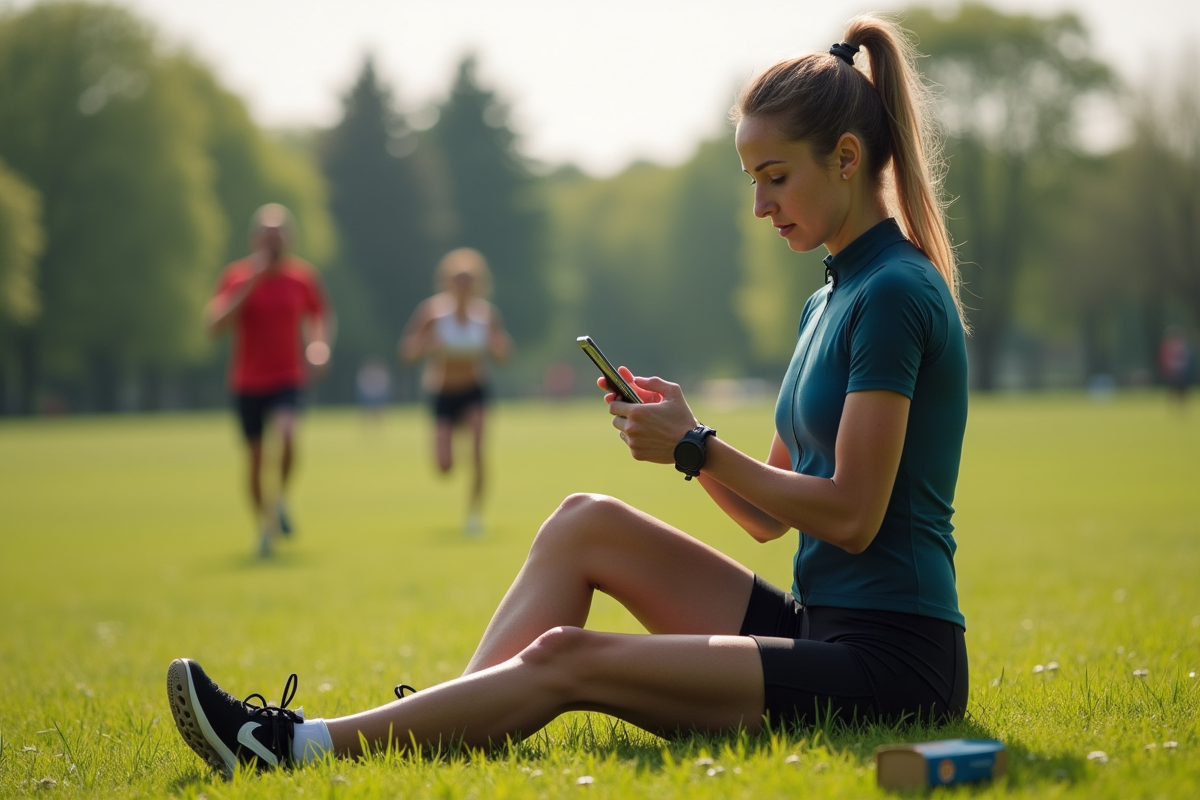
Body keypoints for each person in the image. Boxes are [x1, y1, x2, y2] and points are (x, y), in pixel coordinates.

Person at [167, 15, 970, 776]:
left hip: (893, 667)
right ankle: (449, 721)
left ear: (846, 158)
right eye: (751, 180)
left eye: (775, 178)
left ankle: (289, 746)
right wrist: (685, 438)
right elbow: (766, 519)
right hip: (815, 629)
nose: (759, 205)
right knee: (584, 521)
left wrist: (698, 448)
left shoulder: (896, 292)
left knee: (565, 659)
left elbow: (854, 517)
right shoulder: (825, 299)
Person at [206, 204, 333, 557]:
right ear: (255, 239)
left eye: (279, 235)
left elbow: (319, 314)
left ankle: (279, 500)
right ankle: (265, 526)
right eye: (267, 235)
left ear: (289, 239)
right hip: (248, 381)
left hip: (287, 376)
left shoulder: (302, 278)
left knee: (289, 435)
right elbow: (215, 325)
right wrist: (250, 284)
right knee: (256, 458)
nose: (274, 242)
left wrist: (319, 346)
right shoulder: (237, 277)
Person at [398, 248, 513, 534]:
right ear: (447, 281)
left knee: (477, 453)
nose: (463, 285)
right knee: (444, 466)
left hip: (474, 390)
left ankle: (474, 516)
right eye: (458, 279)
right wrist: (427, 345)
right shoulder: (433, 313)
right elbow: (407, 352)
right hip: (443, 392)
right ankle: (451, 449)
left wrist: (497, 347)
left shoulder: (485, 315)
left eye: (469, 280)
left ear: (478, 283)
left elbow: (504, 354)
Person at [1158, 324, 1193, 411]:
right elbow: (1164, 358)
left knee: (1183, 391)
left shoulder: (1182, 345)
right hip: (1172, 371)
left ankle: (1182, 408)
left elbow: (1186, 358)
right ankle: (1173, 408)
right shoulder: (1169, 346)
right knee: (1172, 390)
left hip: (1182, 371)